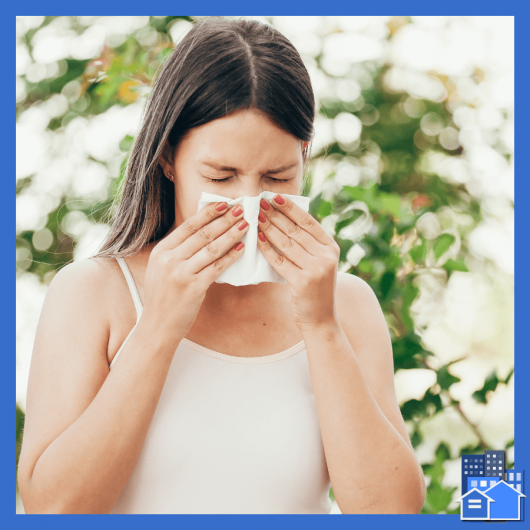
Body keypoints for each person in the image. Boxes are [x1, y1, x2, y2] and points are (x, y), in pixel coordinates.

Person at [17, 16, 426, 514]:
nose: (249, 203)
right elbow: (52, 509)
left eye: (277, 176)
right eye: (221, 175)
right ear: (168, 158)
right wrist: (160, 325)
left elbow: (392, 513)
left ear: (304, 158)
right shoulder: (93, 294)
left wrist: (321, 327)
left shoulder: (346, 305)